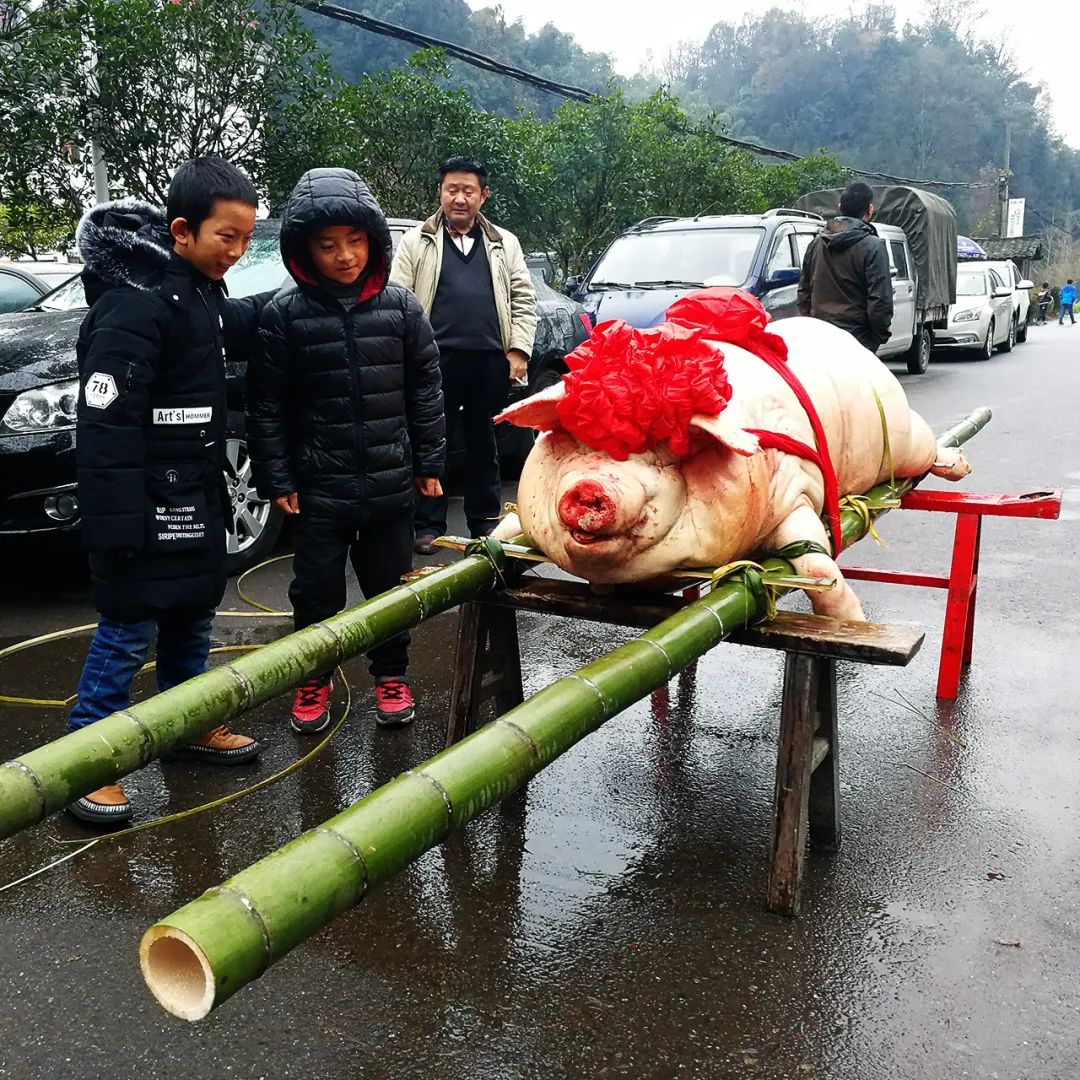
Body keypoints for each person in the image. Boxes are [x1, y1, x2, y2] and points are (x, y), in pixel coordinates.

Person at [67, 157, 268, 826]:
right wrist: (116, 526)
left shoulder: (195, 292)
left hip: (193, 500)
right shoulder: (134, 305)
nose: (236, 253)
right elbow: (105, 424)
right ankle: (87, 759)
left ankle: (190, 725)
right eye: (226, 238)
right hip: (144, 511)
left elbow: (231, 323)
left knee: (191, 619)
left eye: (247, 239)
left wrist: (305, 294)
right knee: (128, 633)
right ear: (181, 231)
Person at [246, 168, 445, 733]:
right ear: (304, 249)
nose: (344, 256)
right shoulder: (284, 316)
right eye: (328, 245)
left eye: (355, 242)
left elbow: (427, 389)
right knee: (315, 592)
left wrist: (430, 463)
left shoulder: (402, 309)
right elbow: (267, 407)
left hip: (388, 480)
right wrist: (277, 477)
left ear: (373, 240)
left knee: (389, 591)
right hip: (319, 488)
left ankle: (391, 676)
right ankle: (315, 676)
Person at [390, 156, 537, 553]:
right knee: (430, 442)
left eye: (467, 190)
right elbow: (399, 301)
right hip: (432, 361)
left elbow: (524, 298)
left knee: (483, 441)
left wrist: (518, 350)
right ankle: (427, 525)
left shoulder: (504, 243)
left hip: (489, 359)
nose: (459, 198)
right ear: (440, 192)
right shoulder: (416, 242)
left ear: (482, 195)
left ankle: (484, 522)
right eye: (451, 189)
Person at [797, 181, 894, 352]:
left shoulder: (816, 244)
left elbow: (804, 292)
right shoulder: (873, 246)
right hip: (858, 339)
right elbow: (880, 300)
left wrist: (811, 324)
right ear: (870, 210)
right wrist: (877, 338)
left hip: (819, 337)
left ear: (840, 207)